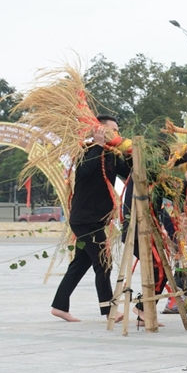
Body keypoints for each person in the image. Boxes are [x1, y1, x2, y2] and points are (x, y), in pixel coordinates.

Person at [51, 115, 131, 322]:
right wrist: (97, 145)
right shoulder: (87, 150)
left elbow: (129, 171)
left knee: (81, 263)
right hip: (85, 218)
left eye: (117, 130)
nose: (117, 134)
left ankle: (59, 306)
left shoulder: (112, 155)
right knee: (104, 263)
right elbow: (85, 172)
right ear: (99, 130)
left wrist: (134, 153)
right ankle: (108, 310)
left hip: (97, 219)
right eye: (112, 130)